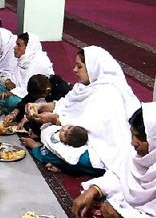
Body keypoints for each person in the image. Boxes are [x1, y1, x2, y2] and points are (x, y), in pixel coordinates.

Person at [28, 46, 140, 178]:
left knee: (83, 159)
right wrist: (40, 106)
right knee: (48, 130)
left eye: (79, 66)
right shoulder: (84, 87)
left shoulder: (109, 92)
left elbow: (94, 128)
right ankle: (55, 157)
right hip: (77, 135)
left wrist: (54, 119)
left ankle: (41, 151)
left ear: (93, 67)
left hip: (102, 147)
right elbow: (65, 104)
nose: (74, 70)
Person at [0, 32, 54, 113]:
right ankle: (5, 107)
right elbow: (13, 75)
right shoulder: (23, 59)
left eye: (19, 45)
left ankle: (10, 110)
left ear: (28, 48)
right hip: (16, 90)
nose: (15, 48)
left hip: (32, 96)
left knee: (12, 102)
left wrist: (1, 95)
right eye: (16, 44)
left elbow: (27, 90)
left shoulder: (38, 62)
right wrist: (8, 81)